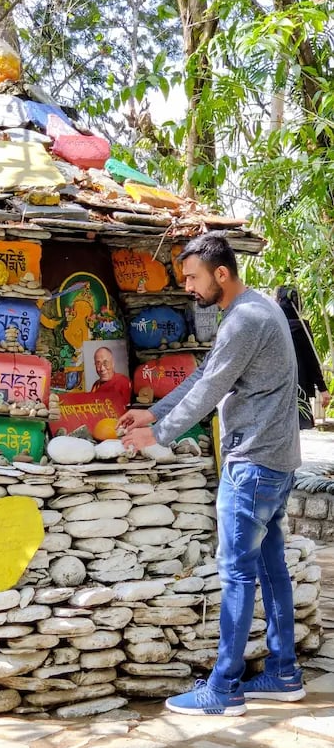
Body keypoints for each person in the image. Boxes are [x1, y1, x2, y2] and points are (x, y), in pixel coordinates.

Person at [119, 233, 303, 717]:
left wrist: (158, 436)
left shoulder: (244, 320)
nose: (187, 287)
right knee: (269, 567)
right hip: (276, 460)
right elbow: (205, 376)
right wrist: (151, 414)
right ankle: (284, 672)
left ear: (222, 274)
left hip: (252, 464)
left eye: (192, 277)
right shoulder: (255, 311)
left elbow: (209, 391)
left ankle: (223, 688)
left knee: (237, 573)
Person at [275, 286, 331, 429]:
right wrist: (322, 388)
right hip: (299, 390)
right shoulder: (301, 327)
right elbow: (311, 359)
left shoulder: (272, 325)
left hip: (275, 390)